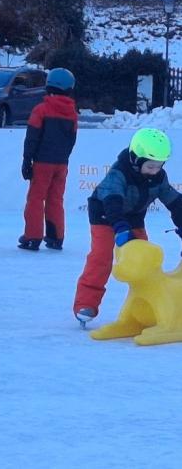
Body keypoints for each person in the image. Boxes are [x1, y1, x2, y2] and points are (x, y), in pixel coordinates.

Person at [73, 128, 182, 327]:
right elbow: (113, 201)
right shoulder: (119, 173)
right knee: (102, 258)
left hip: (134, 217)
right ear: (135, 159)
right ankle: (85, 304)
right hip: (105, 215)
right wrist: (121, 228)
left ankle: (147, 305)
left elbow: (175, 202)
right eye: (150, 166)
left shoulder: (158, 177)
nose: (155, 171)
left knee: (144, 262)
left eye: (159, 166)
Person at [19, 68, 78, 251]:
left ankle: (32, 236)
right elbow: (72, 140)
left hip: (42, 162)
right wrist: (63, 158)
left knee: (36, 199)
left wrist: (27, 160)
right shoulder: (72, 113)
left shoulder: (41, 110)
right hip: (61, 163)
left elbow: (32, 138)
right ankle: (56, 237)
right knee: (56, 199)